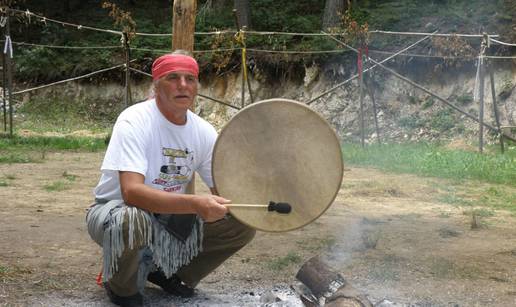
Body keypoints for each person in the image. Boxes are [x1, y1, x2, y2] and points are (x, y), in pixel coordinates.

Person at [86, 50, 255, 307]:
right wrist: (196, 204)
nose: (183, 85)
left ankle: (169, 273)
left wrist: (265, 183)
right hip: (116, 213)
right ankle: (121, 287)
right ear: (156, 84)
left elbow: (225, 191)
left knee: (241, 221)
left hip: (168, 218)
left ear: (197, 86)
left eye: (190, 78)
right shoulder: (134, 120)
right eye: (172, 77)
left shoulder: (203, 131)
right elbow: (132, 192)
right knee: (133, 219)